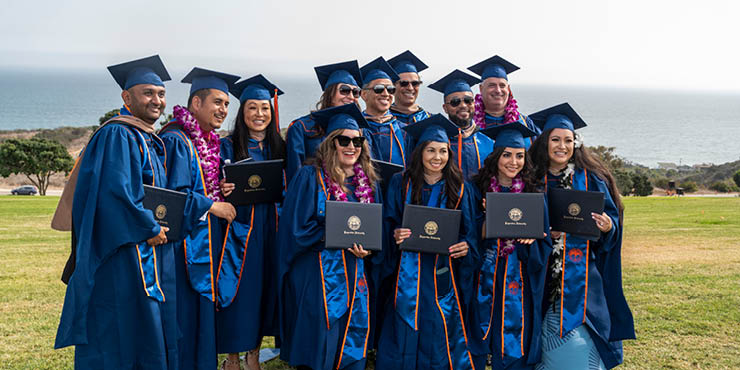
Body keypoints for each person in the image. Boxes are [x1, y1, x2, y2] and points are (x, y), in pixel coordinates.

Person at [54, 55, 180, 369]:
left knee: (138, 322)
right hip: (122, 251)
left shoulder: (144, 137)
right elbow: (117, 192)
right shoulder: (119, 134)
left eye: (161, 94)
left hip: (138, 249)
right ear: (126, 97)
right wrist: (150, 227)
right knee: (120, 324)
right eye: (148, 93)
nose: (157, 100)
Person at [527, 103, 634, 369]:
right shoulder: (530, 179)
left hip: (584, 279)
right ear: (544, 142)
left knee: (580, 348)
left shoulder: (592, 179)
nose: (562, 146)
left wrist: (608, 226)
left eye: (568, 140)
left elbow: (612, 225)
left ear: (576, 143)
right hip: (540, 277)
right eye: (555, 140)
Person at [277, 103, 382, 370]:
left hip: (355, 271)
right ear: (330, 143)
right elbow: (295, 229)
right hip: (316, 272)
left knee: (352, 336)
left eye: (357, 140)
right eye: (343, 140)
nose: (351, 146)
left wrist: (367, 249)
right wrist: (334, 234)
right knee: (320, 339)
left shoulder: (367, 183)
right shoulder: (309, 176)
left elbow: (374, 229)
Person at [376, 114, 479, 370]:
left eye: (443, 151)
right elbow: (388, 222)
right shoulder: (401, 183)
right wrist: (395, 233)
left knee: (438, 319)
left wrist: (466, 245)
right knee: (405, 314)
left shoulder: (460, 187)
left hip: (443, 271)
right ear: (420, 152)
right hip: (407, 270)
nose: (437, 157)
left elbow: (470, 232)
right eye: (431, 150)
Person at [159, 67, 239, 370]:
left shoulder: (207, 141)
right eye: (217, 102)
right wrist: (212, 205)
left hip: (204, 242)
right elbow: (171, 196)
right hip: (183, 248)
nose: (223, 110)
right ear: (195, 104)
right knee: (185, 315)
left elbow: (200, 183)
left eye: (227, 104)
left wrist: (220, 188)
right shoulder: (178, 140)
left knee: (201, 315)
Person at [468, 124, 552, 370]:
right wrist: (488, 220)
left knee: (515, 335)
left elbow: (544, 241)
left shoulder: (534, 195)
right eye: (507, 154)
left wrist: (533, 240)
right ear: (495, 156)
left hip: (520, 278)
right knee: (480, 333)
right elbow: (468, 233)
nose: (513, 162)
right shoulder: (475, 190)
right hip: (483, 275)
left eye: (519, 155)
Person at [217, 74, 285, 370]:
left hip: (272, 229)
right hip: (239, 231)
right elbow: (212, 184)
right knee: (238, 292)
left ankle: (254, 355)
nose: (260, 114)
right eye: (252, 108)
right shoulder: (227, 146)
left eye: (265, 108)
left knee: (264, 291)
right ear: (242, 113)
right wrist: (221, 189)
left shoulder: (280, 148)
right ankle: (232, 358)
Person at [285, 60, 363, 184]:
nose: (351, 96)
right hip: (315, 195)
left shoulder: (357, 129)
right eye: (344, 90)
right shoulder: (302, 127)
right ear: (330, 93)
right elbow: (295, 174)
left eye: (355, 92)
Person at [429, 69, 494, 180]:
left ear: (474, 103)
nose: (463, 105)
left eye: (468, 100)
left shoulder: (488, 140)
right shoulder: (437, 142)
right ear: (445, 108)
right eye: (455, 102)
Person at [467, 55, 540, 149]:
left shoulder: (525, 123)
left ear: (508, 89)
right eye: (491, 85)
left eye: (502, 86)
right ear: (481, 89)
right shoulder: (468, 124)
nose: (498, 90)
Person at [360, 57, 409, 167]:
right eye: (379, 89)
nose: (386, 94)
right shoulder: (356, 129)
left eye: (390, 89)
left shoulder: (404, 131)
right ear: (364, 95)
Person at [388, 50, 431, 125]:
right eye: (404, 83)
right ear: (393, 86)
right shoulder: (379, 120)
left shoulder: (430, 120)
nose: (410, 88)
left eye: (415, 83)